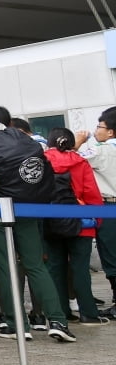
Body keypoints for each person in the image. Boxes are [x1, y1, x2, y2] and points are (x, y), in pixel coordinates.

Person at [0, 91, 70, 342]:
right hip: (28, 205)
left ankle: (15, 323)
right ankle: (58, 321)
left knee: (7, 264)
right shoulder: (19, 135)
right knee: (35, 264)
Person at [43, 127, 106, 325]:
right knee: (80, 269)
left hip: (50, 221)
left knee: (55, 268)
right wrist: (97, 220)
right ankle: (88, 313)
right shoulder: (81, 163)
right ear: (71, 143)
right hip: (81, 222)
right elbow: (92, 193)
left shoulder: (42, 161)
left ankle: (61, 314)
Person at [77, 106, 116, 313]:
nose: (96, 130)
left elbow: (73, 159)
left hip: (109, 207)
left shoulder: (101, 150)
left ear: (110, 132)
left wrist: (79, 142)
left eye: (99, 126)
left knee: (111, 254)